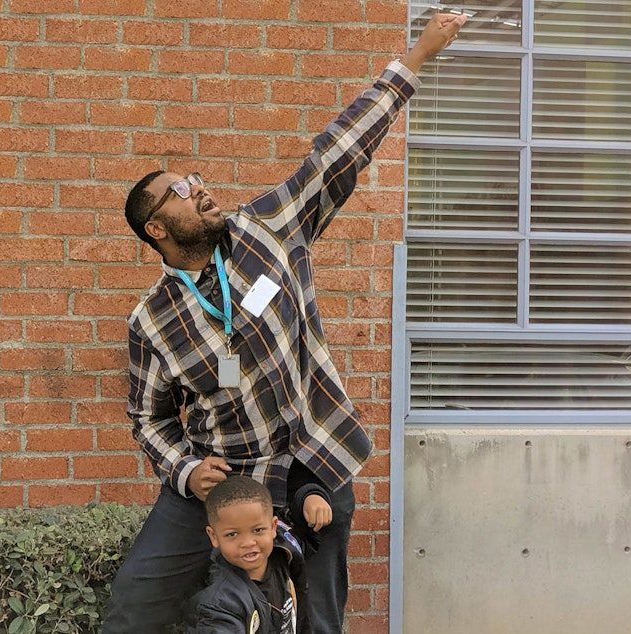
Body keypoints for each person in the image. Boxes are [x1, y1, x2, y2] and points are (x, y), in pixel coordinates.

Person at [102, 12, 467, 634]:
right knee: (133, 609)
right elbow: (148, 418)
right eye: (180, 191)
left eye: (195, 179)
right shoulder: (152, 320)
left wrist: (417, 55)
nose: (199, 189)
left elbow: (337, 153)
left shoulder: (268, 230)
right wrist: (186, 471)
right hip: (223, 483)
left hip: (310, 461)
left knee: (318, 619)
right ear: (156, 230)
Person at [187, 476, 322, 634]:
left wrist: (310, 495)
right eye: (232, 534)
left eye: (257, 530)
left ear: (273, 527)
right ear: (214, 537)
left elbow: (307, 534)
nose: (248, 543)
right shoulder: (219, 604)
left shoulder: (283, 551)